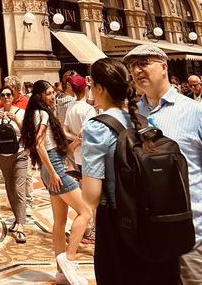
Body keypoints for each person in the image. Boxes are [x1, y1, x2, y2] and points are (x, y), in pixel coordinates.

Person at [81, 57, 179, 284]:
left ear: (100, 88)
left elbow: (92, 195)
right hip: (153, 218)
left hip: (118, 222)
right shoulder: (145, 121)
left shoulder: (96, 127)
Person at [123, 43, 202, 284]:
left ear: (164, 66)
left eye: (144, 63)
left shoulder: (193, 112)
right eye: (132, 65)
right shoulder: (130, 117)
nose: (137, 70)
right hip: (147, 239)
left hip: (192, 237)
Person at [21, 80, 92, 285]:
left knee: (59, 222)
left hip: (54, 165)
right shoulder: (42, 114)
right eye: (49, 93)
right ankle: (69, 259)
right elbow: (39, 145)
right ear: (39, 96)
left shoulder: (43, 114)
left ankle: (60, 272)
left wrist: (76, 140)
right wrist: (53, 173)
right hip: (54, 167)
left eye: (53, 93)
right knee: (86, 212)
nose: (53, 96)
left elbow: (58, 148)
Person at [0, 85, 27, 243]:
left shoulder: (21, 112)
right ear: (0, 98)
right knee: (10, 189)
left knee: (19, 189)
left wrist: (16, 120)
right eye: (3, 95)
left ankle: (21, 225)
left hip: (20, 154)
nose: (6, 97)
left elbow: (26, 133)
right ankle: (17, 219)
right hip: (3, 156)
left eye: (9, 95)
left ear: (13, 97)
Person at [63, 75, 95, 177]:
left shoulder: (71, 107)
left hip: (77, 155)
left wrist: (74, 139)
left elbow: (65, 131)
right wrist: (78, 139)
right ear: (86, 88)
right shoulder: (89, 109)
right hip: (90, 155)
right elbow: (84, 134)